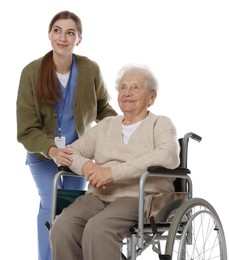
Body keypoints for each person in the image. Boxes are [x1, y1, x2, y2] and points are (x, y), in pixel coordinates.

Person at [49, 65, 180, 260]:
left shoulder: (160, 124)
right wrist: (88, 166)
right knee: (62, 227)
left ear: (151, 97)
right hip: (99, 195)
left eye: (135, 88)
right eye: (123, 88)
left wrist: (112, 173)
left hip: (141, 196)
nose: (127, 93)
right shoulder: (105, 126)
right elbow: (70, 152)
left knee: (99, 229)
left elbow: (168, 155)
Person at [16, 10, 117, 260]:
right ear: (50, 35)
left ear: (78, 39)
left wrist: (123, 127)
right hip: (43, 155)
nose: (63, 37)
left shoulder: (90, 69)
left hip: (77, 155)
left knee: (73, 208)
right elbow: (26, 128)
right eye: (58, 31)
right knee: (51, 203)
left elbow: (103, 108)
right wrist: (51, 150)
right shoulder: (31, 72)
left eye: (70, 32)